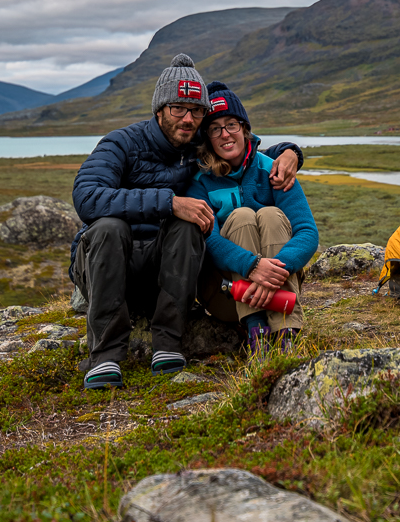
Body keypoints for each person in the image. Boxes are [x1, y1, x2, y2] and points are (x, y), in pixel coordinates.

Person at [69, 54, 302, 389]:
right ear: (160, 109)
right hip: (105, 268)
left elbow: (242, 147)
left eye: (196, 110)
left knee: (190, 226)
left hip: (163, 273)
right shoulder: (121, 143)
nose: (188, 118)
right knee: (109, 226)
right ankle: (105, 356)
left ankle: (167, 345)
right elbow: (87, 197)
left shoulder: (196, 146)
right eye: (178, 107)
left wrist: (291, 152)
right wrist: (169, 202)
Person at [187, 82, 317, 353]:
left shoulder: (273, 169)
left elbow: (307, 231)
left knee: (270, 215)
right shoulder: (200, 181)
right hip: (227, 293)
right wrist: (252, 266)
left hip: (280, 289)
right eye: (215, 128)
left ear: (245, 128)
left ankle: (286, 335)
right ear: (207, 137)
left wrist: (273, 271)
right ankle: (255, 330)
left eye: (232, 124)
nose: (225, 134)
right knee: (242, 216)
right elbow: (208, 239)